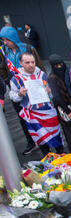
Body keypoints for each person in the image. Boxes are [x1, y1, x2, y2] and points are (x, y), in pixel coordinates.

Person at [0, 26, 45, 155]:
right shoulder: (3, 51)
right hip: (17, 89)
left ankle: (44, 139)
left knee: (38, 113)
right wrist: (9, 82)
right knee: (22, 117)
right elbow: (2, 68)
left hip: (33, 87)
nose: (5, 42)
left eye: (7, 39)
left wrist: (43, 84)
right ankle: (31, 141)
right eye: (3, 40)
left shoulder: (28, 48)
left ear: (13, 38)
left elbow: (39, 65)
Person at [9, 52, 64, 156]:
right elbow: (13, 96)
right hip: (32, 114)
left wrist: (49, 91)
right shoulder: (17, 78)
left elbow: (52, 95)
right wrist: (20, 94)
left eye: (33, 62)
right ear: (21, 63)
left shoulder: (42, 74)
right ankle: (48, 160)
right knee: (40, 138)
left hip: (48, 112)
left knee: (56, 135)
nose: (31, 65)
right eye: (27, 62)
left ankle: (62, 158)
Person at [48, 54, 71, 157]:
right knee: (69, 130)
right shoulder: (52, 78)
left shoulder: (69, 72)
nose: (59, 67)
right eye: (56, 66)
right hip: (63, 107)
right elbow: (56, 97)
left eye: (61, 64)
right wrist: (68, 111)